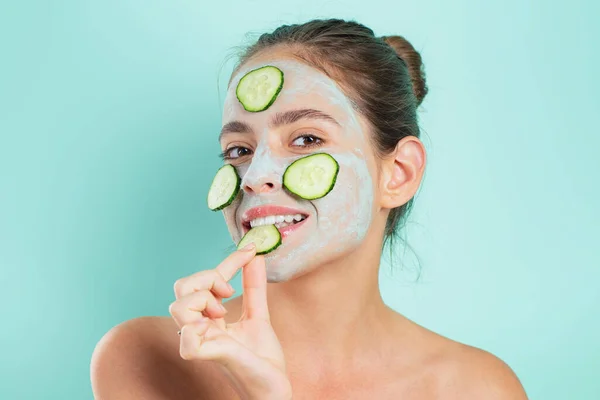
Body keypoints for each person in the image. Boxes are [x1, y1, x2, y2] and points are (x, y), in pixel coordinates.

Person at [91, 18, 528, 399]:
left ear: (398, 174)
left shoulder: (477, 388)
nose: (252, 175)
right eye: (238, 149)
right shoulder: (145, 356)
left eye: (306, 140)